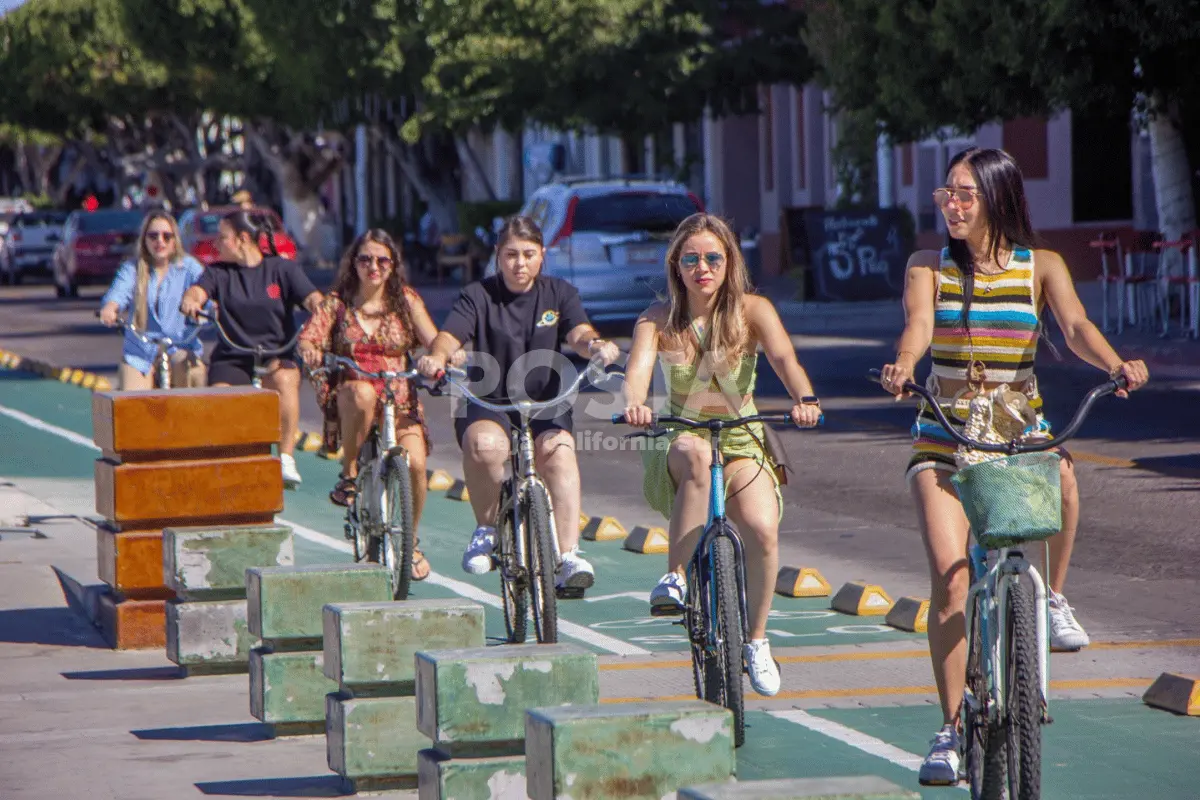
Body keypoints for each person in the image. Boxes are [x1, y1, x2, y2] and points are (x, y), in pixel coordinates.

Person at [877, 147, 1149, 786]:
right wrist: (903, 364)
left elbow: (1076, 325)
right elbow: (917, 328)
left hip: (1018, 429)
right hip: (943, 434)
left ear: (997, 199)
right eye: (947, 193)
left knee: (1062, 473)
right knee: (949, 581)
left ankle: (1052, 598)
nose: (952, 204)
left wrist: (1115, 364)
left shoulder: (1040, 265)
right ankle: (949, 727)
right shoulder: (928, 265)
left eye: (966, 194)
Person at [620, 212, 823, 697]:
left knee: (761, 529)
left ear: (730, 262)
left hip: (741, 436)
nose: (702, 267)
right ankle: (673, 577)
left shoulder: (754, 310)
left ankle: (755, 640)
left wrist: (805, 399)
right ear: (676, 266)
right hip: (682, 434)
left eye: (713, 257)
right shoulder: (656, 319)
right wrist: (634, 404)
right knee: (692, 456)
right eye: (690, 259)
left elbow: (784, 360)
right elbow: (638, 372)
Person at [416, 215, 620, 593]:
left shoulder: (559, 293)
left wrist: (594, 346)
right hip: (489, 398)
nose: (519, 263)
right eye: (511, 254)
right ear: (498, 255)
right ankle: (487, 529)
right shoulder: (479, 295)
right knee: (485, 446)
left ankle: (568, 555)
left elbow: (579, 332)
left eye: (528, 254)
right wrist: (438, 356)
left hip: (546, 400)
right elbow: (449, 335)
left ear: (542, 255)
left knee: (557, 453)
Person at [297, 230, 439, 581]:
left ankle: (411, 540)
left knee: (417, 465)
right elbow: (309, 337)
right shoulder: (338, 303)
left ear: (393, 265)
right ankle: (348, 473)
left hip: (399, 397)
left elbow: (433, 340)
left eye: (382, 260)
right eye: (365, 259)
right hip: (354, 394)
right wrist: (311, 349)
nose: (373, 267)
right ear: (353, 263)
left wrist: (440, 356)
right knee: (361, 393)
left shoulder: (406, 300)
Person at [179, 209, 323, 488]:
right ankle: (229, 460)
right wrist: (191, 301)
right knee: (221, 399)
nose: (216, 244)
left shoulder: (283, 270)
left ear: (243, 239)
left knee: (284, 380)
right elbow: (197, 291)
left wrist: (320, 314)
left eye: (223, 238)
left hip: (276, 353)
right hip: (234, 355)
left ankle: (285, 458)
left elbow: (314, 299)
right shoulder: (218, 272)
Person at [98, 211, 207, 390]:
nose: (160, 241)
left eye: (167, 236)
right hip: (141, 351)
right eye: (153, 236)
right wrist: (110, 308)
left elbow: (206, 292)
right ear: (144, 239)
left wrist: (206, 309)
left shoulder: (189, 267)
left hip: (180, 346)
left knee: (194, 373)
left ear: (175, 240)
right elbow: (118, 294)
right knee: (131, 402)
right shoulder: (132, 268)